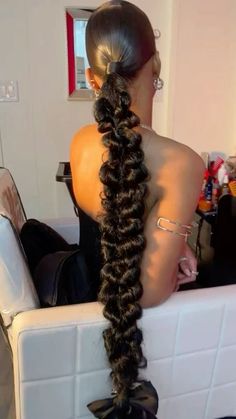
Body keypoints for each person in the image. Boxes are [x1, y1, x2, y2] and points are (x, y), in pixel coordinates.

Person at [70, 1, 204, 417]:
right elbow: (147, 291)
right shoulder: (183, 163)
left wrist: (174, 239)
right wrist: (177, 243)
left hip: (84, 305)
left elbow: (121, 220)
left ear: (92, 79)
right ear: (155, 66)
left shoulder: (78, 144)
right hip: (142, 336)